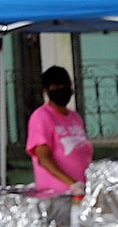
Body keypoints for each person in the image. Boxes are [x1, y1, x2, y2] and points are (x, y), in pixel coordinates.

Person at [26, 65, 93, 194]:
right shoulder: (42, 117)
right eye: (56, 86)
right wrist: (72, 183)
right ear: (46, 90)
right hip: (57, 195)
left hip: (81, 192)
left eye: (65, 85)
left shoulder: (75, 117)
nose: (62, 89)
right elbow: (43, 158)